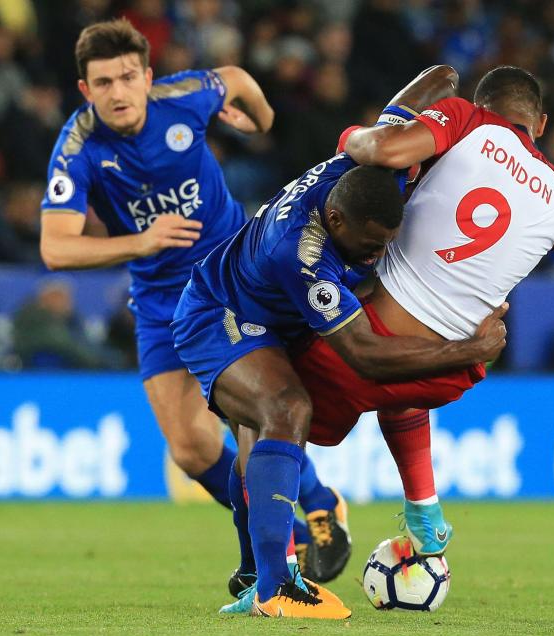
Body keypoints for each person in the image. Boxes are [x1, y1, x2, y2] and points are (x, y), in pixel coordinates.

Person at [292, 64, 554, 558]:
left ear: (482, 105)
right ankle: (425, 512)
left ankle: (273, 570)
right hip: (452, 369)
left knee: (266, 406)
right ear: (540, 125)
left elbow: (386, 150)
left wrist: (350, 136)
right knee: (403, 386)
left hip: (367, 347)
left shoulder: (464, 121)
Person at [37, 19, 346, 588]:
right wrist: (143, 242)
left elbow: (236, 79)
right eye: (103, 83)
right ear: (85, 90)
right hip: (157, 297)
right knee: (187, 446)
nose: (118, 92)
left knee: (245, 411)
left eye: (128, 77)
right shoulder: (78, 146)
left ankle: (319, 510)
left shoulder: (184, 97)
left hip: (230, 279)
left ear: (147, 77)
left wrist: (260, 122)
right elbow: (55, 248)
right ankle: (292, 530)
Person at [170, 155, 508, 617]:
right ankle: (276, 588)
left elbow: (420, 96)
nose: (374, 255)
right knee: (285, 409)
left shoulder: (371, 168)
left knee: (261, 433)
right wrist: (469, 351)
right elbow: (365, 355)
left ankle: (256, 573)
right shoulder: (300, 253)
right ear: (335, 220)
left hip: (277, 319)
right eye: (369, 244)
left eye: (385, 243)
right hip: (220, 314)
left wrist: (415, 124)